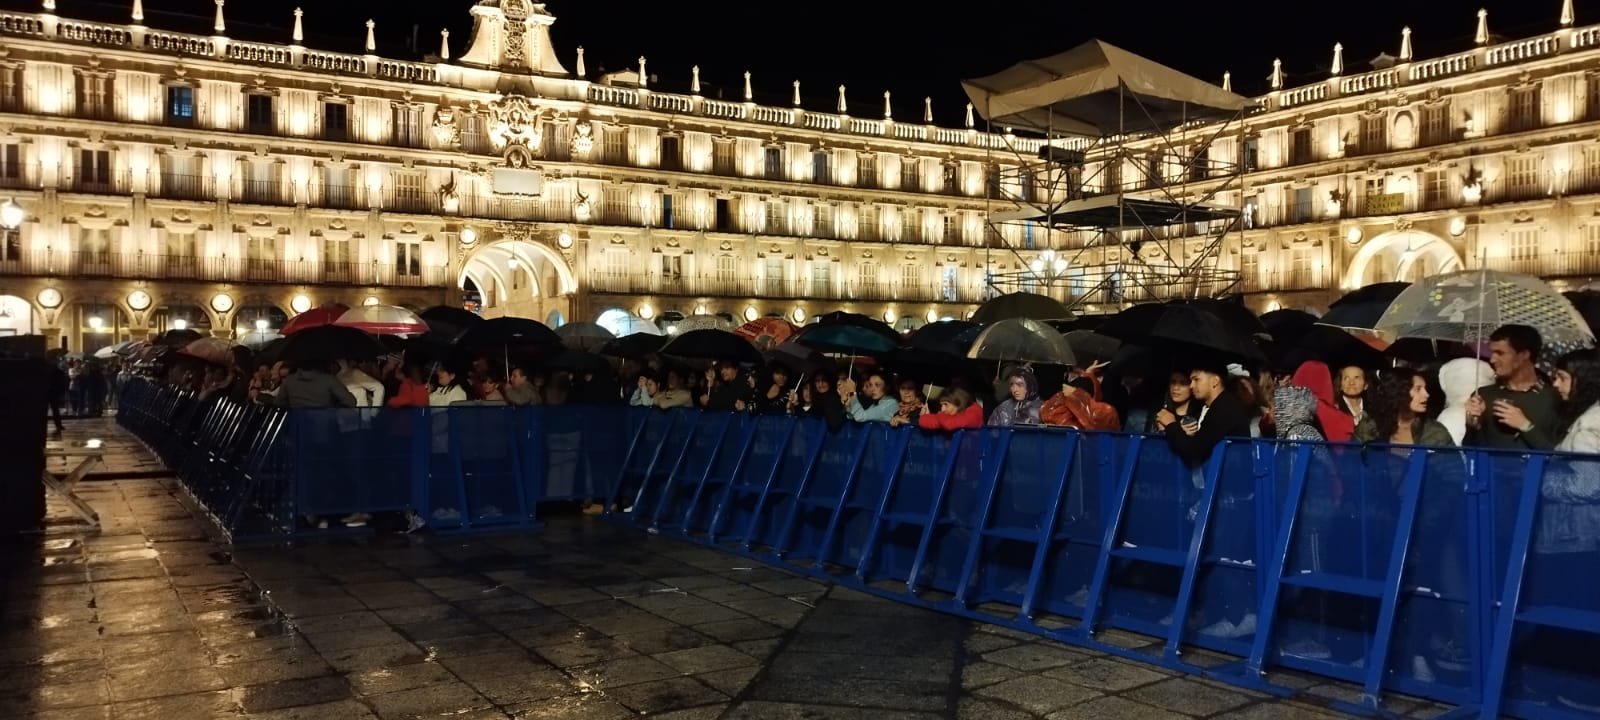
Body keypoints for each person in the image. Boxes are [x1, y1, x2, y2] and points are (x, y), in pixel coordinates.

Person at [1465, 324, 1560, 450]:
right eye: (1492, 352)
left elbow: (1559, 454)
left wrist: (1526, 427)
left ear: (1524, 355)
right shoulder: (1483, 396)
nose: (1492, 359)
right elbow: (1469, 451)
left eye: (1500, 353)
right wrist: (1473, 426)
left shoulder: (1554, 398)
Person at [1352, 368, 1453, 445]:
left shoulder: (1435, 431)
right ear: (1398, 392)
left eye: (1425, 389)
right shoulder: (1370, 428)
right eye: (1418, 389)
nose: (1426, 394)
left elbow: (1453, 470)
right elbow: (1349, 464)